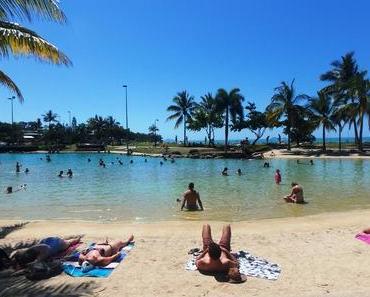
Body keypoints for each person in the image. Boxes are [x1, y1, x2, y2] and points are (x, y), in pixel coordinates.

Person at [11, 236, 81, 269]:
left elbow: (45, 249)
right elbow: (16, 252)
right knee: (67, 241)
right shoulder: (28, 251)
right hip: (48, 242)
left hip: (55, 243)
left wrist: (35, 262)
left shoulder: (36, 255)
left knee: (68, 242)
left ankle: (77, 238)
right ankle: (76, 238)